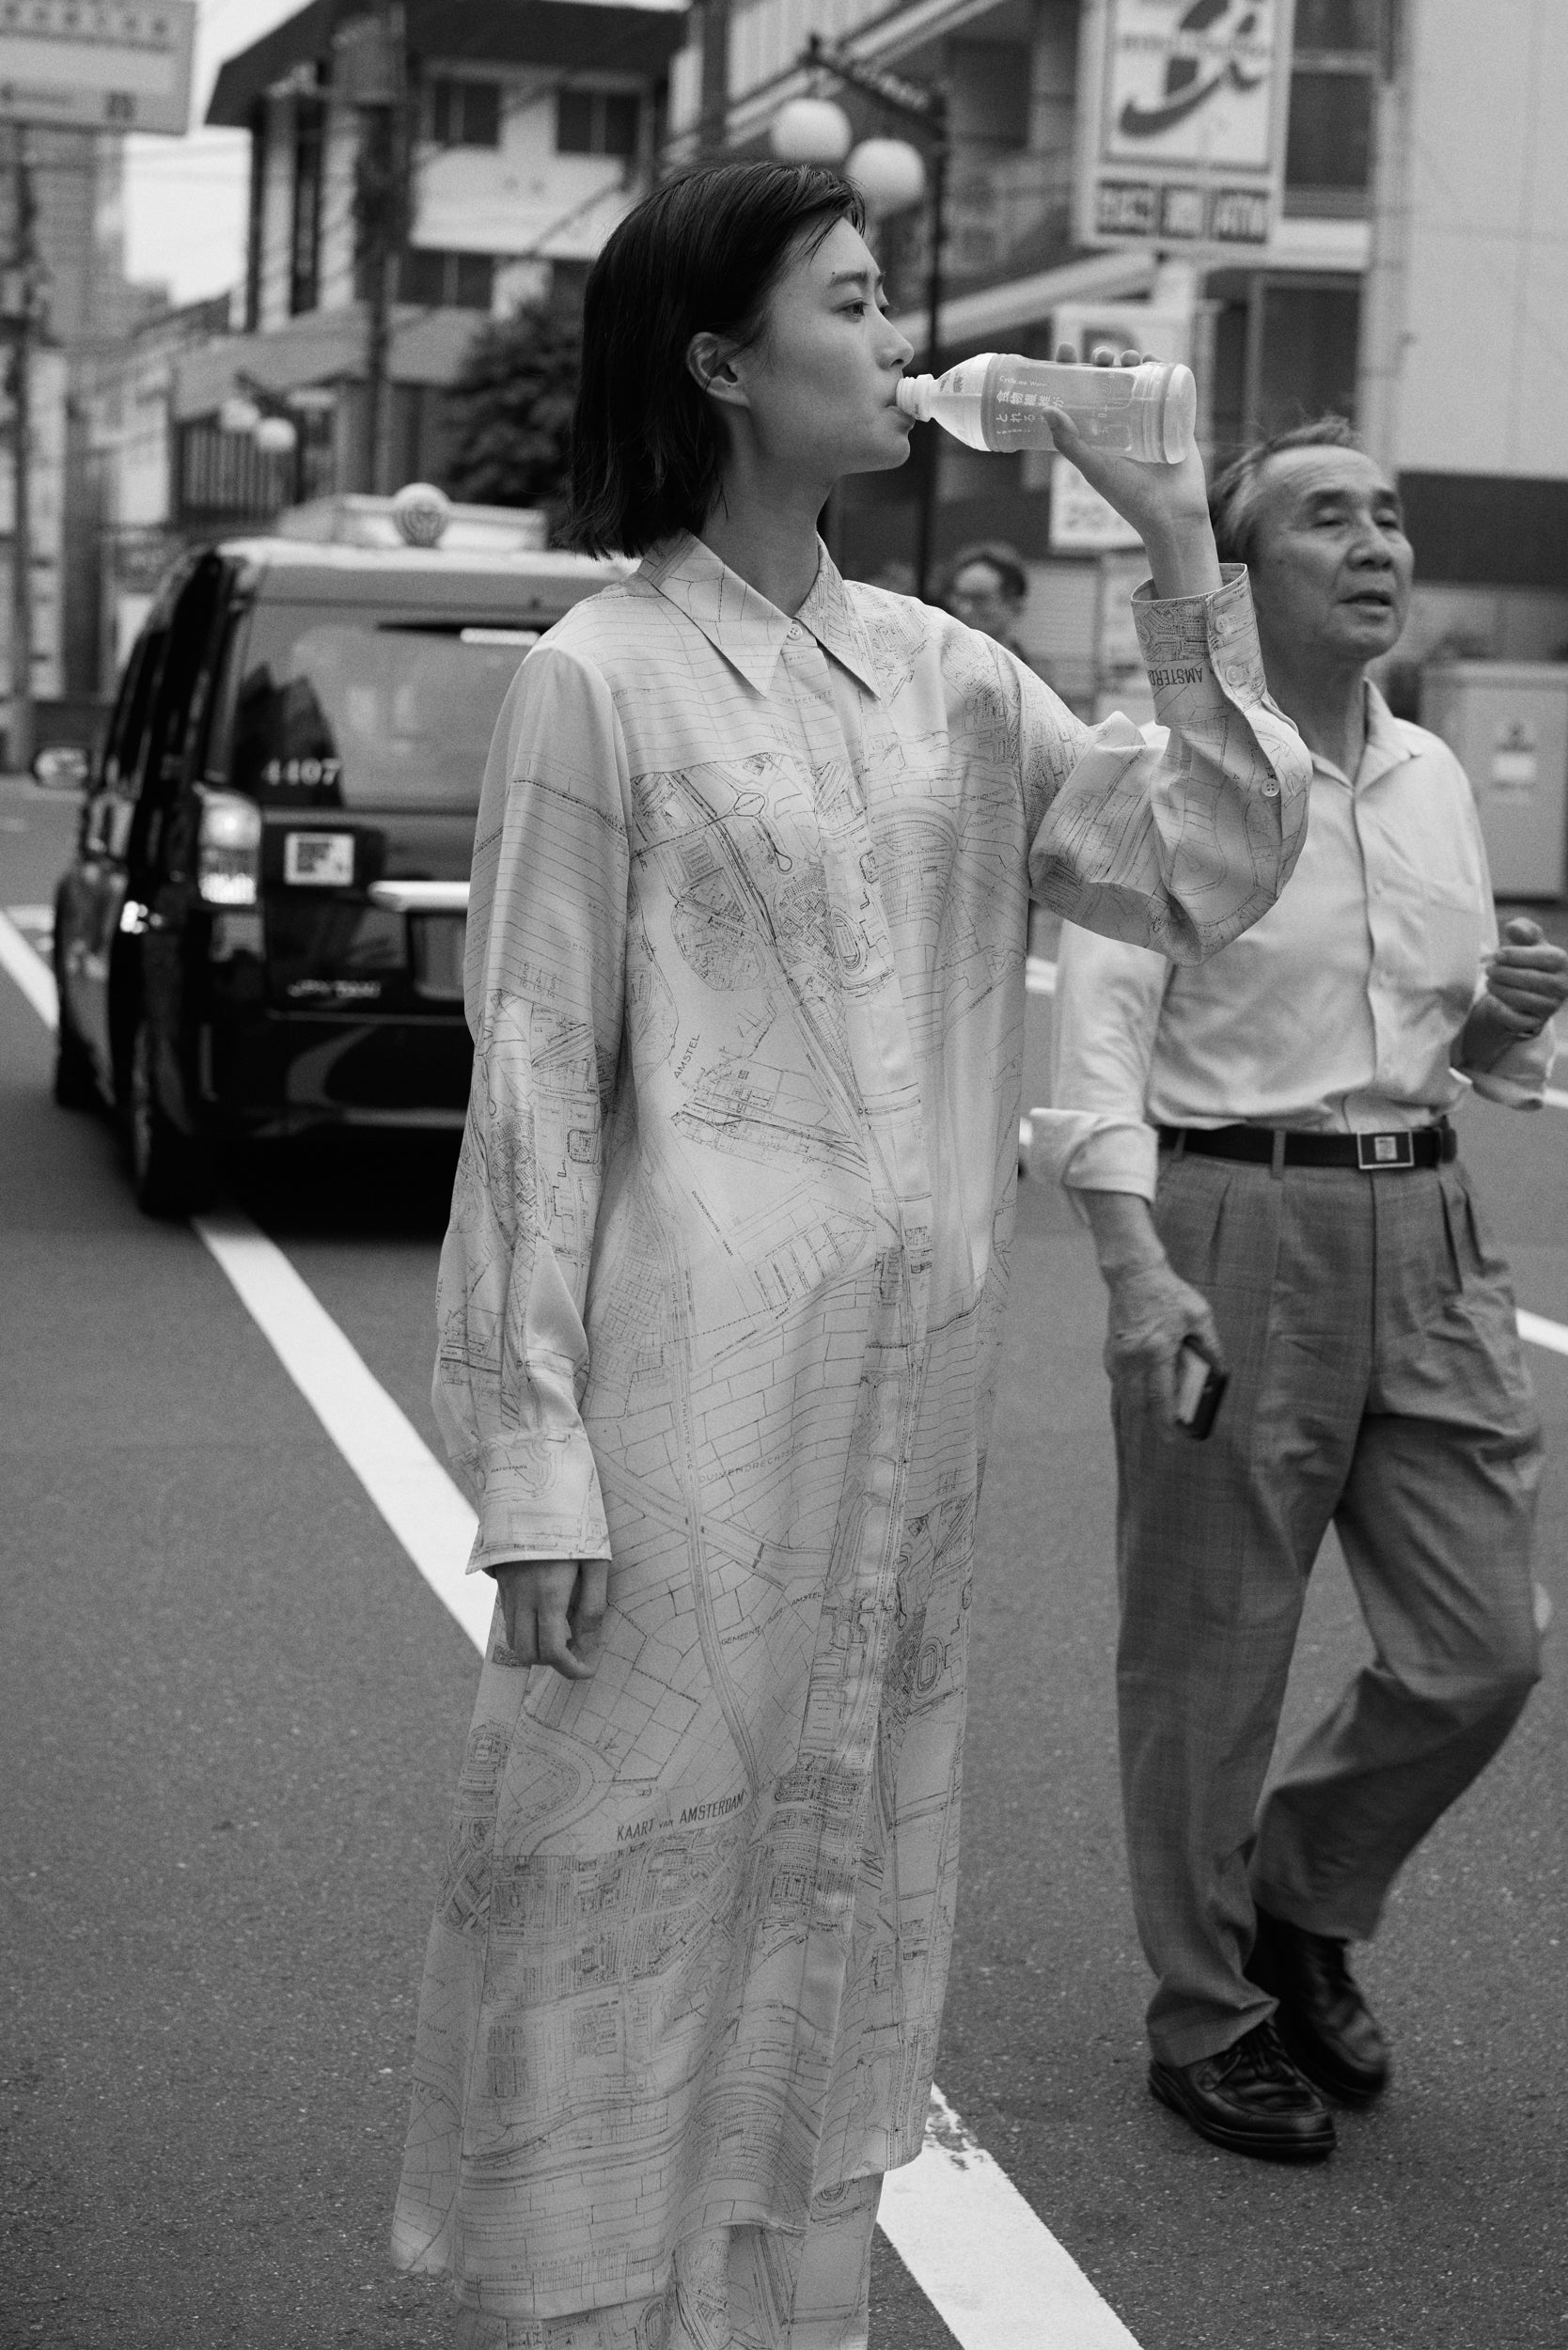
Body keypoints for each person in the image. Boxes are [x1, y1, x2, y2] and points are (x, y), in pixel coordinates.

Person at [391, 160, 1309, 2346]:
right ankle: (593, 2314)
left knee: (842, 1881)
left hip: (907, 1420)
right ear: (721, 360)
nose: (896, 334)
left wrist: (1183, 548)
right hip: (682, 1411)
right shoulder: (598, 681)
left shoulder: (952, 686)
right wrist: (531, 1458)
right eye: (854, 296)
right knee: (629, 1873)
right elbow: (530, 1078)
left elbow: (1204, 864)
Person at [1036, 415, 1568, 2165]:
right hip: (1224, 1226)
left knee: (1482, 1644)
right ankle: (1206, 2015)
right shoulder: (1153, 773)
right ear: (1239, 570)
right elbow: (1094, 1057)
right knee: (1208, 1661)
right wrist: (1130, 1267)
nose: (1375, 543)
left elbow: (1433, 1036)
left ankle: (1299, 1894)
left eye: (1391, 517)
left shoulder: (1426, 778)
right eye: (1325, 516)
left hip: (1423, 1225)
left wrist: (1499, 1023)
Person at [935, 541, 1032, 660]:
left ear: (1014, 607)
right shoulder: (928, 670)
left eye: (979, 599)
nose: (965, 609)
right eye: (959, 598)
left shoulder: (1035, 676)